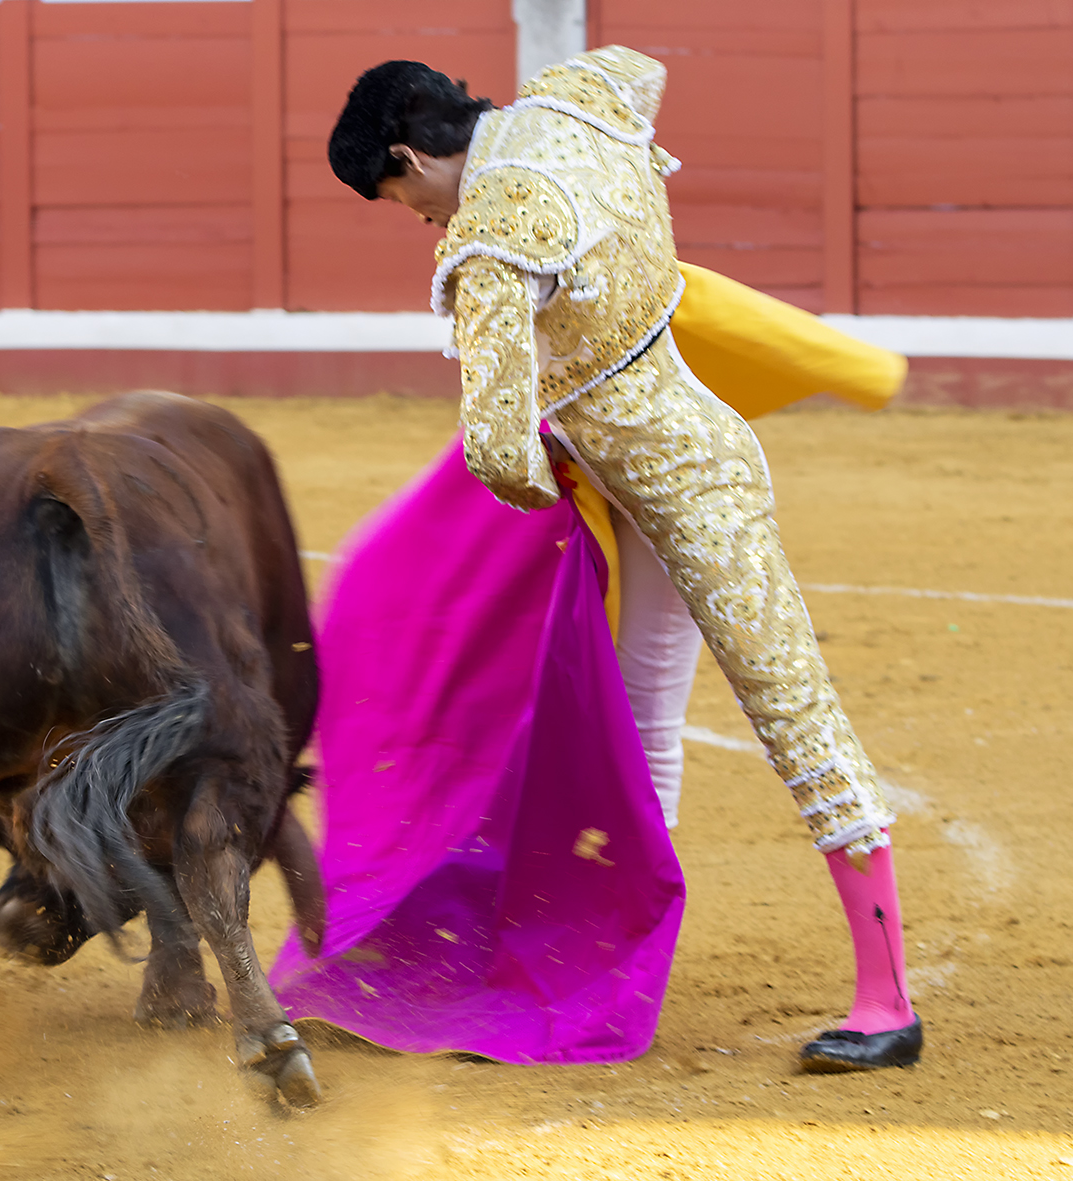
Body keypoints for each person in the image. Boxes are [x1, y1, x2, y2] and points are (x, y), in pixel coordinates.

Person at [316, 46, 921, 1071]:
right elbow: (633, 68)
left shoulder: (492, 232)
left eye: (403, 201)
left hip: (689, 494)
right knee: (638, 719)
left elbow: (498, 446)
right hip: (685, 463)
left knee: (789, 711)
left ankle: (886, 999)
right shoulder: (577, 105)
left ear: (413, 158)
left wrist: (524, 477)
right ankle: (613, 958)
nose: (420, 221)